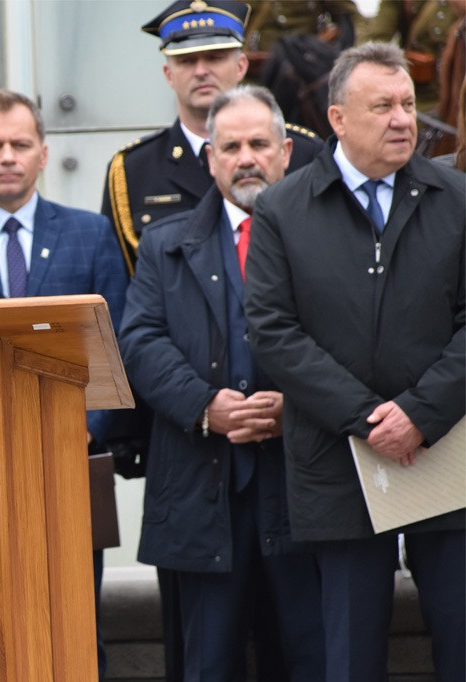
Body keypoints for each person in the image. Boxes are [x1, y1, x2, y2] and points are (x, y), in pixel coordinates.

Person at [98, 4, 321, 678]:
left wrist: (298, 402)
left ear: (286, 152)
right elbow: (136, 338)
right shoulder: (166, 237)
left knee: (308, 654)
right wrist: (207, 406)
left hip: (303, 477)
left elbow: (350, 326)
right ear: (211, 157)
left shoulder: (317, 221)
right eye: (231, 148)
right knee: (207, 658)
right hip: (197, 477)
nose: (247, 158)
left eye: (259, 146)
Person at [244, 42, 465, 681]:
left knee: (459, 635)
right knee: (348, 653)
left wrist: (420, 414)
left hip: (444, 450)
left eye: (408, 104)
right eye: (383, 107)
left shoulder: (455, 197)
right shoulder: (282, 210)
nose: (404, 120)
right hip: (337, 460)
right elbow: (273, 332)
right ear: (337, 119)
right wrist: (370, 419)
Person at [0, 88, 129, 681]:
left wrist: (79, 427)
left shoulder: (91, 234)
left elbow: (116, 347)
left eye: (20, 144)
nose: (8, 156)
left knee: (76, 625)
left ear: (44, 154)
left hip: (72, 465)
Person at [101, 0, 321, 276]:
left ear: (241, 66)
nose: (201, 71)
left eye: (215, 57)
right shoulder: (133, 170)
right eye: (187, 61)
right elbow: (120, 282)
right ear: (169, 75)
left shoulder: (304, 152)